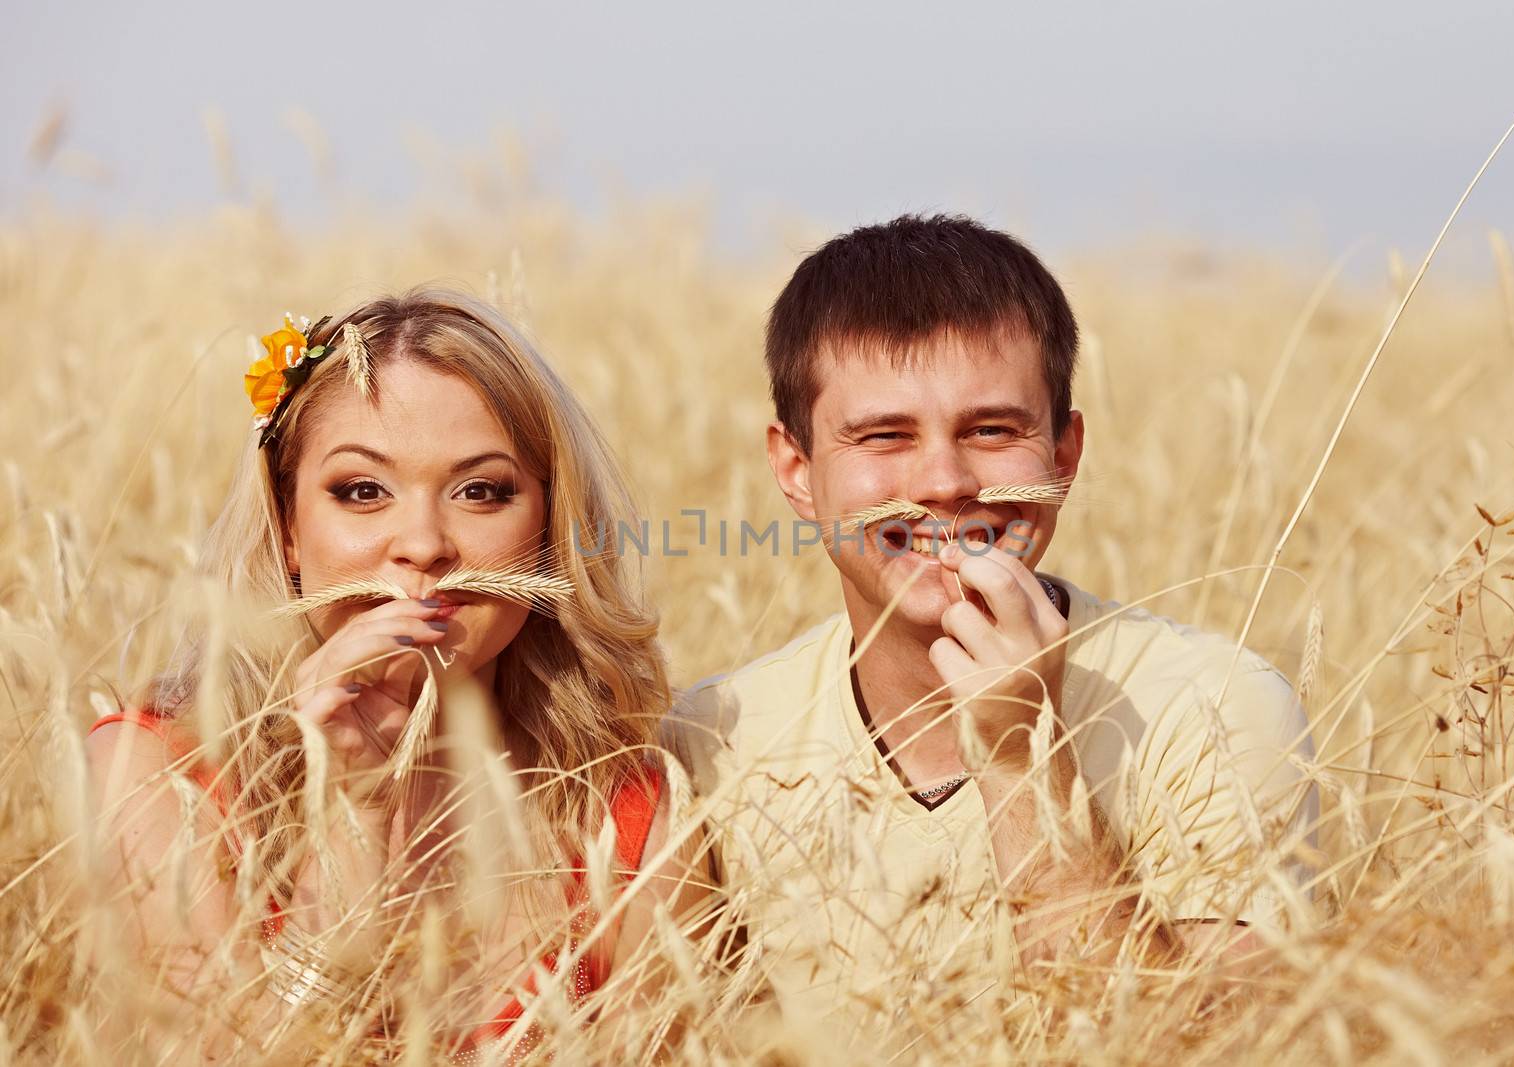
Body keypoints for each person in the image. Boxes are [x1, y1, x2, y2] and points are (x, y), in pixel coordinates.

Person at [668, 215, 1319, 1033]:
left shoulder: (1217, 706)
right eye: (884, 436)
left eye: (992, 430)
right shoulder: (710, 745)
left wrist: (1021, 756)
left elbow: (1217, 1048)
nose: (943, 481)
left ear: (1065, 454)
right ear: (796, 471)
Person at [87, 290, 708, 1061]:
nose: (422, 544)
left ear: (549, 530)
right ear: (287, 527)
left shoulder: (627, 815)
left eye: (481, 490)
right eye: (361, 490)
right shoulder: (157, 779)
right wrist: (354, 817)